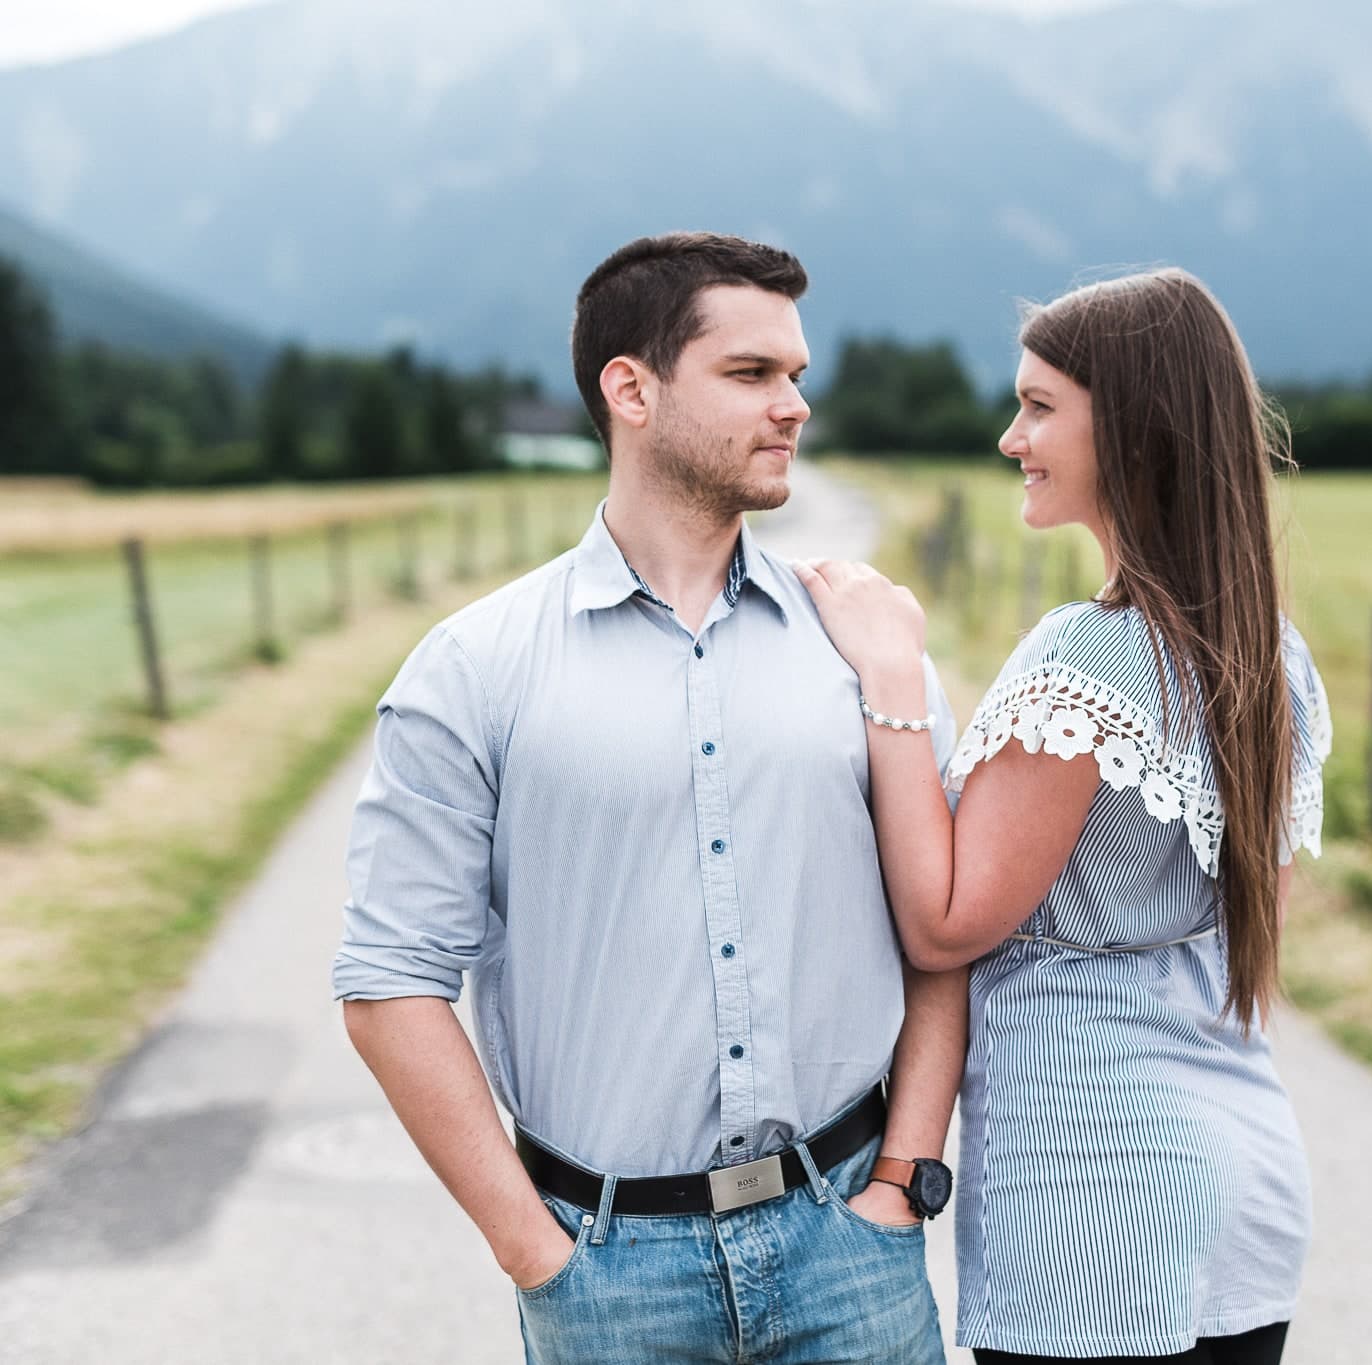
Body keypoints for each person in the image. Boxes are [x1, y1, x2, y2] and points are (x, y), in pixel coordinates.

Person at [332, 231, 964, 1364]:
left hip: (848, 1247)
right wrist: (538, 1254)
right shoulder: (472, 667)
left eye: (796, 377)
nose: (793, 408)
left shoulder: (862, 647)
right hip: (608, 1279)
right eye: (750, 374)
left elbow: (941, 933)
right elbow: (388, 983)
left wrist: (901, 1188)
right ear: (630, 388)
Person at [797, 267, 1331, 1364]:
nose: (1010, 437)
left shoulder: (1090, 656)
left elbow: (946, 922)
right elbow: (1258, 923)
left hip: (1096, 1196)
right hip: (1247, 1177)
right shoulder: (1274, 658)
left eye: (1039, 406)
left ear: (1131, 429)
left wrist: (893, 677)